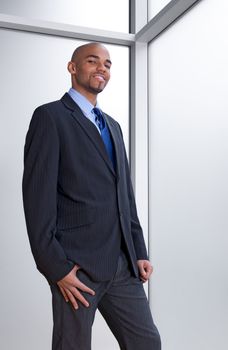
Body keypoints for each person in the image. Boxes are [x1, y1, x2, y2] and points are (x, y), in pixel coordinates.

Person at [22, 42, 161, 350]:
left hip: (122, 265)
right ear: (73, 68)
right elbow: (36, 200)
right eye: (93, 61)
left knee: (147, 343)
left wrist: (138, 251)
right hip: (77, 268)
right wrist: (56, 267)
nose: (102, 68)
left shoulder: (113, 126)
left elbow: (124, 196)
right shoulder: (50, 118)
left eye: (108, 64)